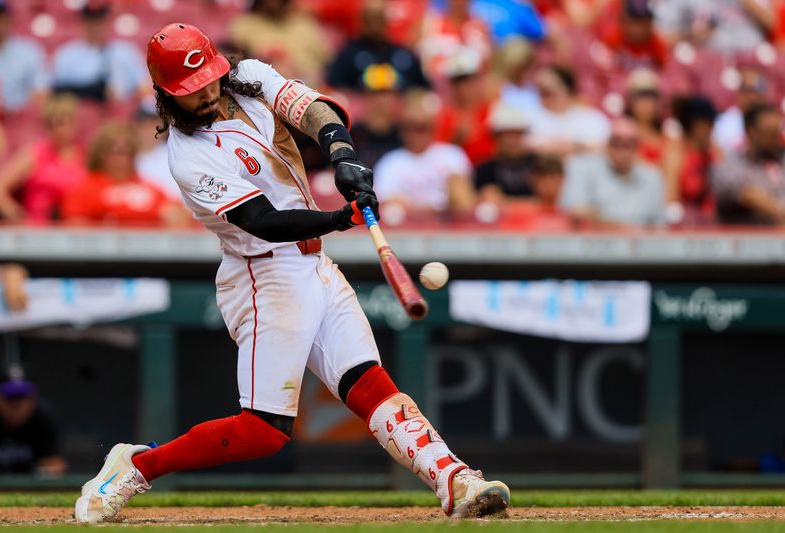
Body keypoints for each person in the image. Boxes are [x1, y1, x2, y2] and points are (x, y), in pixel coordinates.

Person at [74, 24, 509, 523]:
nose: (208, 93)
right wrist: (338, 218)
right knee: (264, 431)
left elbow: (317, 110)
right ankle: (135, 467)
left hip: (313, 266)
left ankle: (453, 479)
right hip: (263, 276)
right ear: (167, 95)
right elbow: (262, 221)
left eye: (211, 79)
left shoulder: (250, 77)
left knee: (370, 383)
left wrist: (342, 154)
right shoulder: (188, 157)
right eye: (192, 91)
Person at [61, 120, 186, 227]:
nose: (122, 159)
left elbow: (177, 213)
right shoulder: (85, 189)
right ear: (101, 154)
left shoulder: (147, 187)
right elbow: (75, 227)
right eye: (117, 152)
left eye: (128, 152)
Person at [375, 91, 478, 217]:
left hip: (449, 230)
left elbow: (465, 203)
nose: (416, 134)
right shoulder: (390, 162)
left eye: (422, 127)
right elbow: (388, 206)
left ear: (433, 127)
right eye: (410, 127)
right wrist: (435, 210)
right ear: (402, 129)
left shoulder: (452, 155)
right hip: (407, 230)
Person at [0, 94, 86, 223]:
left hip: (74, 231)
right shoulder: (35, 154)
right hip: (38, 229)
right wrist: (17, 216)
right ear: (48, 127)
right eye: (55, 124)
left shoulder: (86, 156)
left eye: (67, 122)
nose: (61, 129)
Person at [560, 117, 666, 226]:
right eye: (617, 143)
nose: (623, 151)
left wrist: (597, 218)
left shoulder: (652, 177)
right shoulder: (581, 166)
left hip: (640, 241)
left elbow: (658, 225)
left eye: (629, 144)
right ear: (607, 145)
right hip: (592, 241)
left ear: (637, 148)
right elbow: (574, 213)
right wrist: (628, 230)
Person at [51, 1, 147, 103]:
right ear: (83, 22)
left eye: (100, 20)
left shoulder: (126, 52)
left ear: (108, 20)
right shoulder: (66, 55)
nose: (96, 26)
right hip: (80, 114)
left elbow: (144, 90)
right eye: (91, 21)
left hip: (121, 114)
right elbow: (53, 92)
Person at [326, 0, 428, 91]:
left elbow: (422, 89)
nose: (374, 25)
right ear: (361, 22)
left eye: (378, 19)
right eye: (369, 20)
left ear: (386, 21)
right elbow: (333, 87)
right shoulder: (348, 55)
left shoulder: (403, 55)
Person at [711, 103, 785, 225]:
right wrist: (780, 212)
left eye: (777, 132)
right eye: (769, 132)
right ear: (751, 131)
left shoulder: (781, 160)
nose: (775, 138)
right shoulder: (731, 162)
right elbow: (746, 195)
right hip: (744, 238)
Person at [228, 0, 331, 86]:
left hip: (314, 84)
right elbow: (236, 62)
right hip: (271, 87)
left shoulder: (304, 22)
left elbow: (328, 61)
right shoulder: (245, 24)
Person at [0, 376, 67, 475]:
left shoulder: (44, 418)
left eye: (22, 399)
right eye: (10, 399)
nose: (16, 405)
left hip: (32, 483)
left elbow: (54, 464)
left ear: (33, 400)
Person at [529, 65, 611, 157]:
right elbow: (526, 145)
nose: (542, 97)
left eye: (548, 92)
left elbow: (604, 146)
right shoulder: (531, 118)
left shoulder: (592, 118)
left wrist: (573, 146)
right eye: (540, 92)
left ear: (567, 89)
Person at [662, 96, 720, 224]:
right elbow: (670, 199)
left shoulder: (715, 153)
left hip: (714, 222)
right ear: (695, 125)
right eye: (709, 123)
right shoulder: (676, 153)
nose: (712, 128)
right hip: (686, 224)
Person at [435, 48, 497, 166]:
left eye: (471, 79)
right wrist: (456, 140)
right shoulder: (445, 117)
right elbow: (437, 159)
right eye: (460, 81)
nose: (466, 86)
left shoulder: (494, 110)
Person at [0, 0, 48, 112]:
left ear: (8, 18)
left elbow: (41, 94)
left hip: (21, 119)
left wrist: (13, 109)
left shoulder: (29, 51)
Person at [654, 0, 775, 55]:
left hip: (751, 58)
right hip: (703, 61)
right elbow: (660, 36)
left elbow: (771, 23)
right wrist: (689, 34)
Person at [475, 103, 536, 203]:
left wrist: (505, 201)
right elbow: (488, 201)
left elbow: (549, 199)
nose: (512, 141)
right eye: (507, 136)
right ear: (496, 138)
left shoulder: (539, 164)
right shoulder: (485, 170)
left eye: (517, 135)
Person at [712, 67, 770, 154]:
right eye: (750, 90)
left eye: (759, 90)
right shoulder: (723, 124)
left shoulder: (774, 123)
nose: (754, 96)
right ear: (739, 92)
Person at [624, 68, 666, 166]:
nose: (646, 104)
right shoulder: (623, 134)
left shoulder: (666, 137)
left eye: (651, 97)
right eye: (641, 97)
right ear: (630, 102)